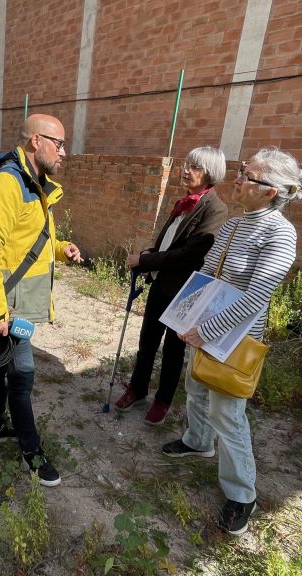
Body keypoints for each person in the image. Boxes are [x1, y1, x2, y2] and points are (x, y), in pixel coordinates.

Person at [162, 147, 302, 535]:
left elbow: (255, 296)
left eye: (249, 176)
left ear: (270, 192)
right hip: (204, 327)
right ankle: (197, 442)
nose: (239, 179)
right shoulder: (233, 225)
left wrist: (206, 330)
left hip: (236, 337)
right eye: (243, 171)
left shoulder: (280, 233)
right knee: (195, 388)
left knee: (228, 415)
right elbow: (207, 276)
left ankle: (242, 493)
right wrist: (186, 315)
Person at [0, 114, 83, 487]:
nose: (65, 152)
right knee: (23, 374)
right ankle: (32, 450)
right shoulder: (7, 185)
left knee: (4, 364)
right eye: (59, 143)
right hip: (8, 304)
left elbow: (29, 238)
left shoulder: (36, 184)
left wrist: (62, 250)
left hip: (19, 298)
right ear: (36, 141)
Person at [115, 147, 229, 425]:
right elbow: (172, 243)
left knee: (173, 350)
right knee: (147, 342)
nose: (186, 170)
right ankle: (138, 389)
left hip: (186, 291)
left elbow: (191, 253)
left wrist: (146, 259)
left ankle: (163, 400)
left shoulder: (215, 208)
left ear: (210, 173)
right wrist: (152, 250)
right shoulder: (185, 202)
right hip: (161, 284)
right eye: (186, 164)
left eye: (195, 167)